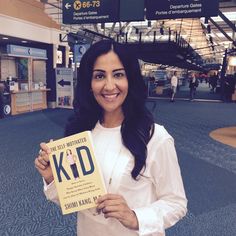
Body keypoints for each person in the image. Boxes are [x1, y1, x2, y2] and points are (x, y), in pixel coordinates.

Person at [35, 40, 187, 236]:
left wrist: (135, 217)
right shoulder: (80, 134)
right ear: (89, 83)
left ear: (130, 79)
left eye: (118, 74)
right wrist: (52, 178)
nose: (109, 85)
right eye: (99, 76)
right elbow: (75, 199)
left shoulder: (155, 137)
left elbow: (177, 203)